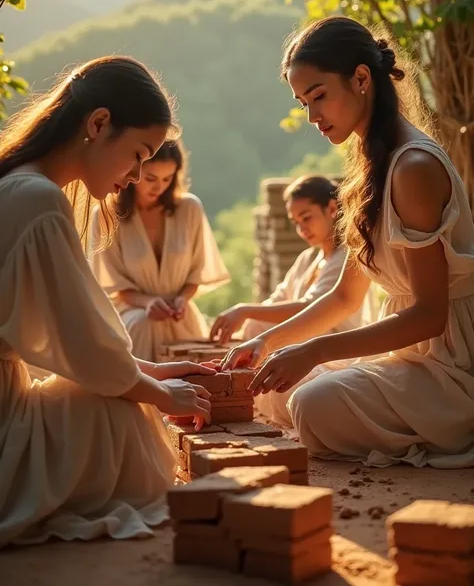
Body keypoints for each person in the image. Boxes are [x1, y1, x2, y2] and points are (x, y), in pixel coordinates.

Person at [223, 16, 474, 468]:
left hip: (452, 363)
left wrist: (315, 350)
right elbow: (344, 298)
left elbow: (430, 316)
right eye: (303, 103)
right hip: (408, 357)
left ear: (361, 78)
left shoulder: (413, 167)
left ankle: (453, 429)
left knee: (311, 404)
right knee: (278, 392)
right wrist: (268, 344)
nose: (313, 116)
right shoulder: (372, 168)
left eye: (318, 96)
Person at [0, 56, 218, 548]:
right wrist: (161, 395)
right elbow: (88, 353)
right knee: (123, 416)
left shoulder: (22, 185)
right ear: (98, 124)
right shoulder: (36, 198)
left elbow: (82, 344)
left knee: (118, 397)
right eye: (138, 154)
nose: (138, 174)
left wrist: (154, 373)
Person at [211, 173, 376, 427]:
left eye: (307, 218)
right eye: (296, 222)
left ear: (332, 209)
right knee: (255, 327)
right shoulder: (308, 259)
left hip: (335, 352)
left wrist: (244, 309)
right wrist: (248, 319)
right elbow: (276, 301)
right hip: (299, 349)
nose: (301, 229)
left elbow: (309, 307)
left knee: (290, 390)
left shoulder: (347, 257)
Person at [89, 140, 229, 360]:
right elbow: (112, 283)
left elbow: (197, 271)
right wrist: (148, 303)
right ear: (133, 172)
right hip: (132, 313)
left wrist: (183, 299)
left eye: (167, 178)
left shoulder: (189, 209)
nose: (159, 187)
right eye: (151, 178)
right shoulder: (107, 215)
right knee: (144, 323)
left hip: (179, 315)